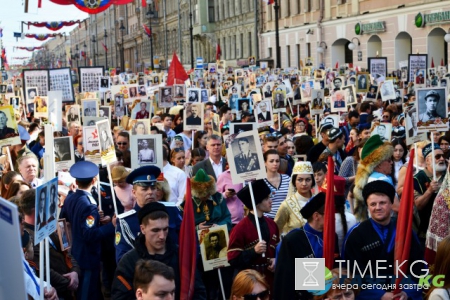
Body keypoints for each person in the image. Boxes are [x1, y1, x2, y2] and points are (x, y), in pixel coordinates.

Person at [344, 180, 425, 299]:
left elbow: (420, 268)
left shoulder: (406, 231)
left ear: (391, 204)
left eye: (382, 203)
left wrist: (407, 293)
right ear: (367, 206)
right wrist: (380, 295)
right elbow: (350, 274)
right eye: (373, 204)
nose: (378, 208)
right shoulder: (356, 234)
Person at [112, 202, 207, 299]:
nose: (162, 236)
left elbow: (198, 291)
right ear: (143, 229)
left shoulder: (181, 255)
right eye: (155, 230)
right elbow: (120, 297)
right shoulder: (129, 262)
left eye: (165, 229)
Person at [59, 161, 115, 299]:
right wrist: (111, 226)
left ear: (76, 182)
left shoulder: (70, 198)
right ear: (94, 180)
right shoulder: (89, 205)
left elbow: (64, 219)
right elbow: (89, 234)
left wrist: (95, 218)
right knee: (87, 292)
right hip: (87, 256)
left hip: (76, 251)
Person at [274, 192, 339, 299]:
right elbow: (285, 278)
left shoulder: (332, 236)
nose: (334, 217)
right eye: (329, 213)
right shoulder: (293, 239)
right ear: (316, 216)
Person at [114, 165, 181, 262]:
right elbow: (122, 259)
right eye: (144, 189)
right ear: (134, 192)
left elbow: (187, 240)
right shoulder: (125, 221)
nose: (150, 192)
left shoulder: (171, 210)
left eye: (153, 188)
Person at [228, 179, 279, 292]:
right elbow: (233, 260)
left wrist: (276, 259)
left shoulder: (272, 224)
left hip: (270, 278)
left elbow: (276, 248)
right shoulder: (239, 229)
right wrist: (253, 251)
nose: (271, 201)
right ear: (256, 203)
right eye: (266, 198)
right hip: (250, 283)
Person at [353, 134, 396, 220]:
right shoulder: (382, 180)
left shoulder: (373, 177)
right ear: (378, 164)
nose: (391, 163)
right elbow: (396, 207)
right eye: (389, 160)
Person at [414, 143, 446, 246]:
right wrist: (429, 191)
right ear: (427, 160)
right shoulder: (418, 178)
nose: (442, 159)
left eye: (443, 156)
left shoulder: (448, 174)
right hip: (427, 233)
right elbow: (418, 205)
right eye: (437, 156)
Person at [275, 161, 314, 234]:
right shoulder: (286, 205)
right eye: (300, 180)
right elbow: (276, 230)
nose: (304, 184)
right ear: (294, 181)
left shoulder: (318, 201)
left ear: (312, 181)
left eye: (308, 180)